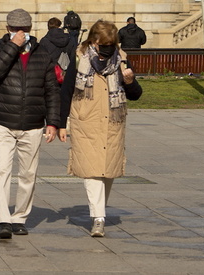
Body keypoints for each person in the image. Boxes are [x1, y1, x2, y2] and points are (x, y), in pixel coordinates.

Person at [59, 20, 143, 237]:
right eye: (103, 43)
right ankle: (98, 218)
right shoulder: (80, 59)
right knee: (92, 170)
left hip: (112, 123)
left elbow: (135, 94)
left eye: (111, 43)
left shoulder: (121, 60)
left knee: (108, 171)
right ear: (94, 41)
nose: (107, 47)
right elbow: (66, 90)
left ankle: (100, 210)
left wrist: (131, 81)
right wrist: (59, 123)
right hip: (86, 121)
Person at [0, 8, 60, 239]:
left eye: (25, 30)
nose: (21, 33)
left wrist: (53, 122)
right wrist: (13, 46)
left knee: (28, 173)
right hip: (3, 122)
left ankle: (19, 217)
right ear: (8, 29)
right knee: (2, 171)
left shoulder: (42, 53)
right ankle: (3, 219)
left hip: (33, 123)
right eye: (17, 30)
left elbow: (51, 90)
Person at [39, 17, 76, 83]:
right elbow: (73, 57)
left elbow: (41, 60)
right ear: (59, 26)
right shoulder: (70, 39)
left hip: (50, 75)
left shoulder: (44, 41)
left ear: (48, 27)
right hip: (66, 74)